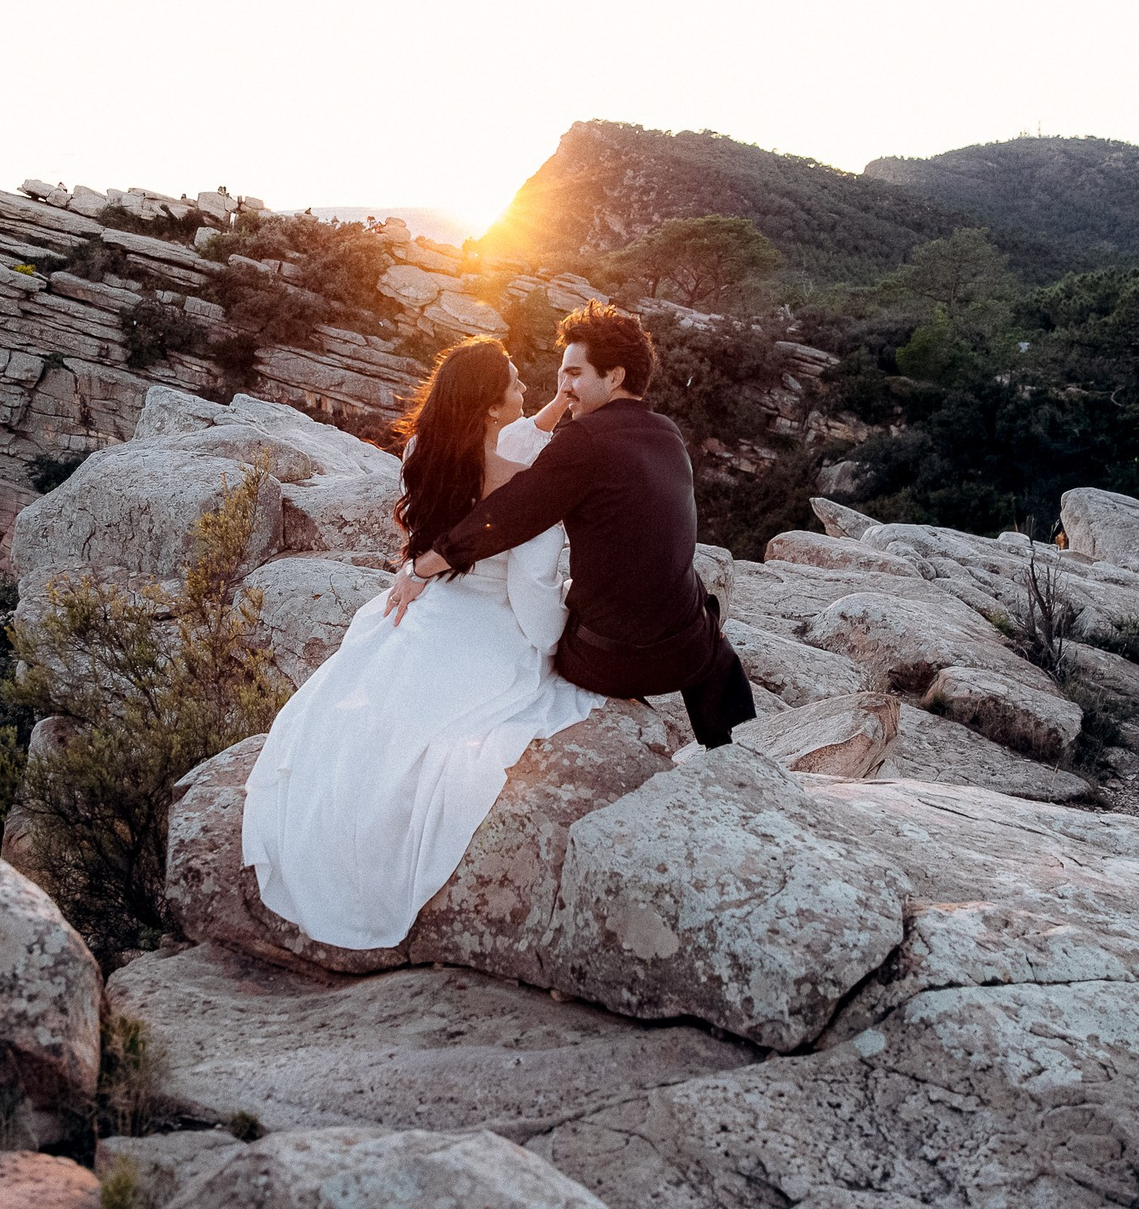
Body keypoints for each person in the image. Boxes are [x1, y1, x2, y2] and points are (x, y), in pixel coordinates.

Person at [240, 336, 597, 951]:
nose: (523, 390)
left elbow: (492, 465)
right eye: (514, 383)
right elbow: (533, 591)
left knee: (372, 709)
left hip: (432, 607)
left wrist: (553, 412)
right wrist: (556, 643)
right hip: (489, 626)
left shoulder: (423, 454)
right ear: (489, 406)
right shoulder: (528, 487)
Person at [382, 301, 757, 748]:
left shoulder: (583, 441)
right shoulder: (667, 433)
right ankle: (720, 745)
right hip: (691, 651)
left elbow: (507, 516)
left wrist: (420, 567)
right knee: (684, 585)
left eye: (575, 374)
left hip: (608, 663)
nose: (564, 386)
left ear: (614, 377)